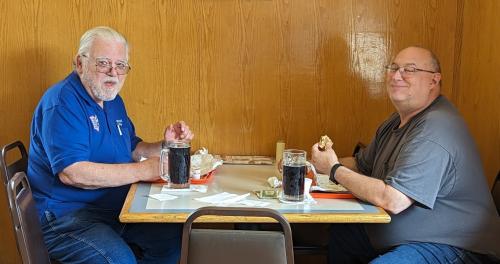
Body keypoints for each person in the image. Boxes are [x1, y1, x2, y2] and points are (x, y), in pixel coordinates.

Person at [311, 46, 500, 263]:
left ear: (434, 81)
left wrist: (334, 169)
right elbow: (361, 164)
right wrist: (311, 165)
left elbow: (394, 200)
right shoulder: (397, 119)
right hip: (402, 236)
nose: (397, 75)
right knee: (343, 235)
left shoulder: (435, 128)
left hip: (454, 246)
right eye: (393, 67)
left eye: (409, 69)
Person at [27, 26, 193, 264]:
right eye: (103, 63)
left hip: (113, 209)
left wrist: (165, 145)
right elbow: (72, 173)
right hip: (66, 217)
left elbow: (132, 148)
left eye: (121, 65)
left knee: (172, 238)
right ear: (80, 63)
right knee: (119, 260)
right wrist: (146, 170)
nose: (113, 73)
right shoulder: (62, 102)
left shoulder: (112, 100)